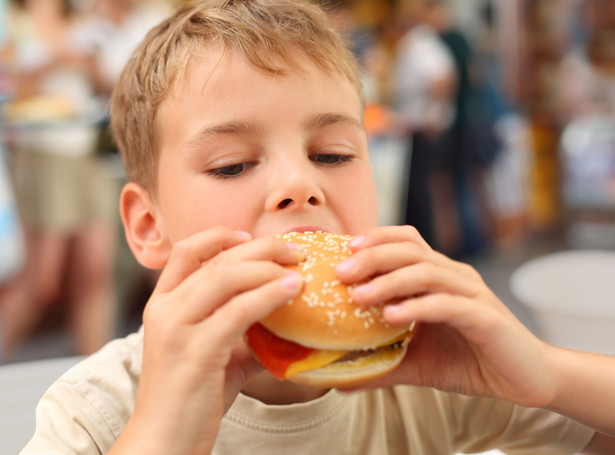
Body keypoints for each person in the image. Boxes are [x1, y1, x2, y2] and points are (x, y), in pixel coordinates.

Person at [19, 1, 615, 453]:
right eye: (232, 164)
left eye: (332, 154)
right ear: (150, 226)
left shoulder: (421, 379)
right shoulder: (96, 411)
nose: (299, 185)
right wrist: (160, 434)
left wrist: (544, 373)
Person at [0, 0, 117, 360]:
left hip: (85, 148)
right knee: (41, 280)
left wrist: (90, 65)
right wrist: (55, 61)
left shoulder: (81, 17)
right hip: (42, 151)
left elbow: (104, 85)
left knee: (96, 270)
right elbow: (10, 88)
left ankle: (96, 371)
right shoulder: (12, 18)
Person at [391, 0, 456, 248]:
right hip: (423, 126)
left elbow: (443, 79)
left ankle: (424, 245)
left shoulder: (420, 41)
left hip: (421, 128)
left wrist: (432, 115)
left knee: (421, 192)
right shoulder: (423, 41)